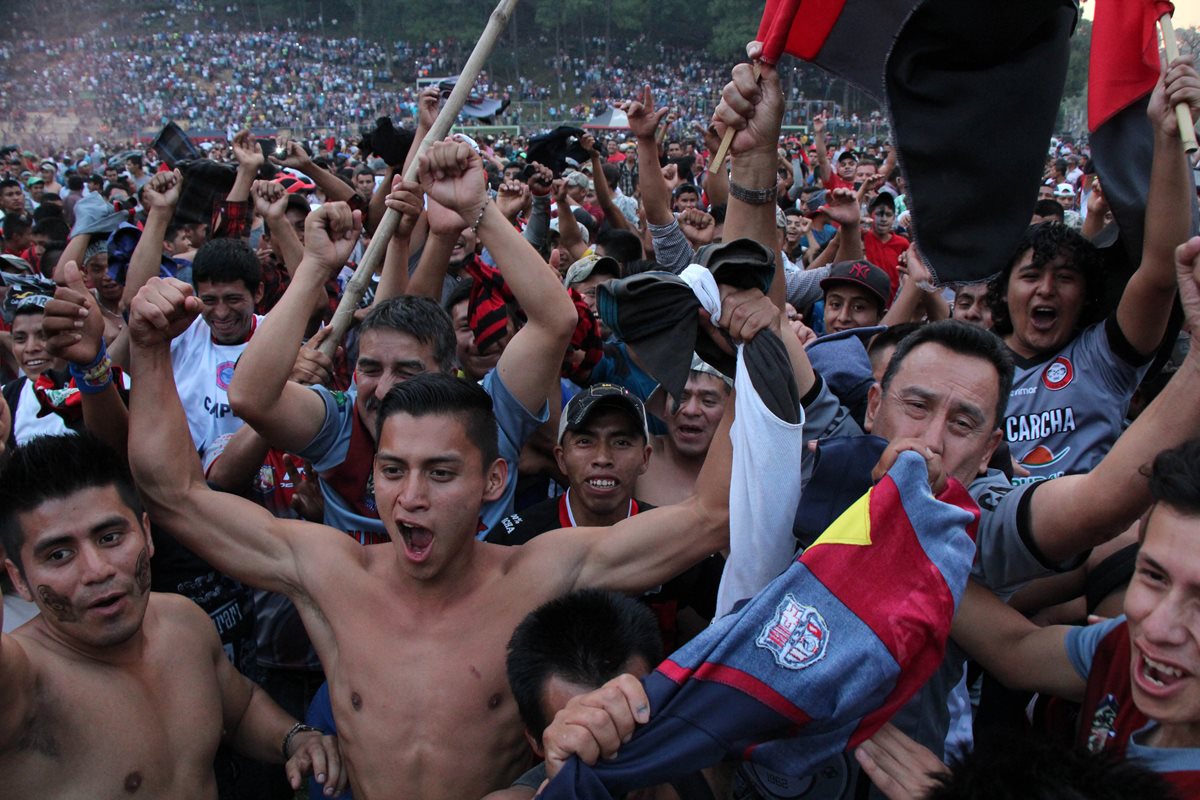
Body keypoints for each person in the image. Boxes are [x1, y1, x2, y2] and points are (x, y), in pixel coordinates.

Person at [123, 144, 756, 798]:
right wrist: (146, 349)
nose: (411, 498)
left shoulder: (539, 573)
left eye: (441, 473)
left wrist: (748, 354)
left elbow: (710, 517)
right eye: (394, 470)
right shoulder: (329, 573)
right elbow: (173, 495)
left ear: (493, 482)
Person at [0, 434, 345, 798]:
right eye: (58, 555)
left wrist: (294, 738)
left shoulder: (183, 622)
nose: (97, 570)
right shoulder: (21, 681)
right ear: (19, 579)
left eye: (110, 537)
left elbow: (239, 706)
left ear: (147, 534)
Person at [942, 437, 1200, 796]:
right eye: (1154, 576)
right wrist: (904, 548)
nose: (1156, 628)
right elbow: (1016, 649)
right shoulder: (1124, 647)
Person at [987, 56, 1198, 484]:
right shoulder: (969, 360)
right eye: (1030, 276)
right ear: (1004, 289)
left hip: (1091, 543)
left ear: (1086, 295)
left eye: (1064, 278)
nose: (1046, 289)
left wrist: (1167, 135)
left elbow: (1160, 272)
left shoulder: (1102, 358)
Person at [636, 357, 732, 507]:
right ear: (664, 407)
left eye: (708, 401)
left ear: (731, 412)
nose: (691, 410)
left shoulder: (747, 470)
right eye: (680, 398)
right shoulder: (637, 456)